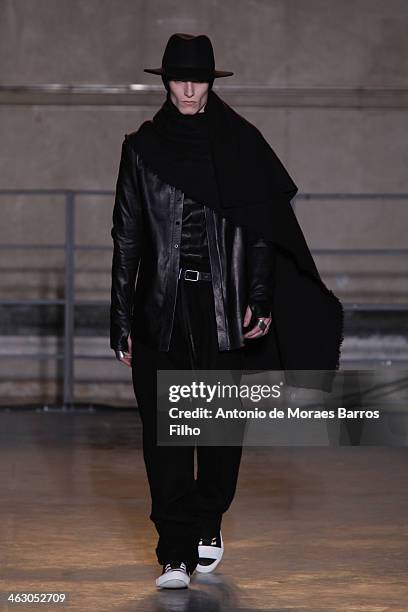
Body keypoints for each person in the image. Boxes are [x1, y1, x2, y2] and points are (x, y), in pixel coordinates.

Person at [110, 33, 344, 589]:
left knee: (218, 431)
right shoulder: (140, 150)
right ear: (164, 82)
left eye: (198, 79)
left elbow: (262, 231)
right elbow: (126, 238)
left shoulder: (239, 144)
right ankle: (172, 550)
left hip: (221, 309)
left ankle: (208, 520)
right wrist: (119, 319)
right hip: (160, 309)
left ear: (211, 83)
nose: (188, 89)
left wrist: (260, 298)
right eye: (179, 79)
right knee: (163, 432)